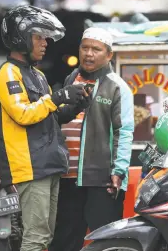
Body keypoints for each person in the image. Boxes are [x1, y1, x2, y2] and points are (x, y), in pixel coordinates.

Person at [0, 5, 88, 251]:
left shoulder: (37, 75)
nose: (45, 43)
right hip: (29, 167)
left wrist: (74, 105)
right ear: (20, 37)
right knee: (36, 238)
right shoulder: (8, 73)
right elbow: (23, 114)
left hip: (47, 165)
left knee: (44, 236)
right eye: (39, 37)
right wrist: (58, 96)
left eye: (46, 38)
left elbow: (50, 116)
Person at [50, 27, 134, 251]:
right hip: (68, 176)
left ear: (109, 55)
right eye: (84, 48)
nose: (88, 53)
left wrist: (119, 172)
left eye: (96, 49)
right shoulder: (71, 79)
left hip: (102, 179)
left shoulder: (118, 87)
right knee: (64, 241)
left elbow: (124, 132)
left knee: (104, 242)